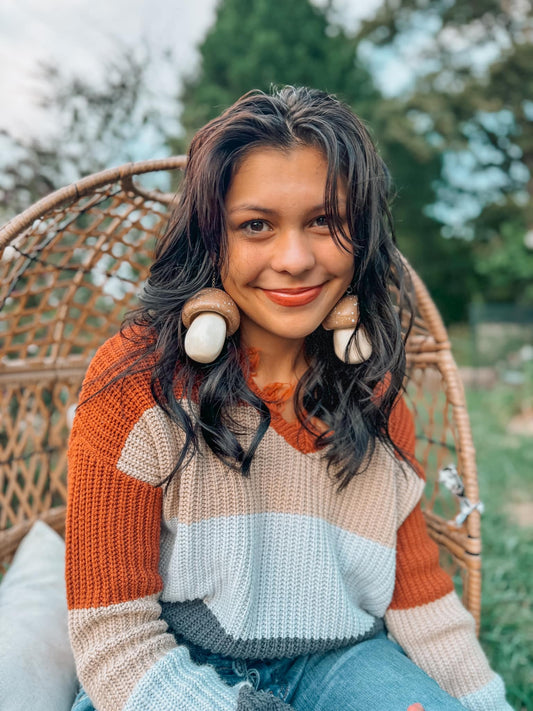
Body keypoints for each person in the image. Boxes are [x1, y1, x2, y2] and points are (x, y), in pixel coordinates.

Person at [65, 86, 511, 711]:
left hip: (345, 658)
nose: (295, 259)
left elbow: (419, 597)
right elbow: (112, 630)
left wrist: (485, 704)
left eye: (325, 222)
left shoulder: (380, 397)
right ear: (209, 239)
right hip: (168, 663)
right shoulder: (137, 384)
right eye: (256, 226)